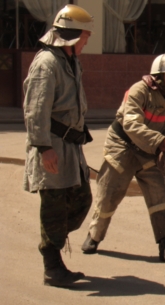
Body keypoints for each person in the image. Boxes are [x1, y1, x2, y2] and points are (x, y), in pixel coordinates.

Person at [81, 50, 165, 265]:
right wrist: (161, 141)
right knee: (109, 192)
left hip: (150, 150)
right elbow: (131, 124)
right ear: (158, 78)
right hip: (123, 146)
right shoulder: (138, 91)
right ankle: (94, 236)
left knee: (162, 195)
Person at [22, 4, 94, 287]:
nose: (87, 42)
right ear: (73, 36)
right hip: (52, 146)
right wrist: (42, 147)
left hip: (70, 147)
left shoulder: (70, 60)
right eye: (85, 36)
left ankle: (51, 246)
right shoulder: (47, 62)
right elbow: (35, 109)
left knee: (81, 199)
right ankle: (52, 266)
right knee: (53, 208)